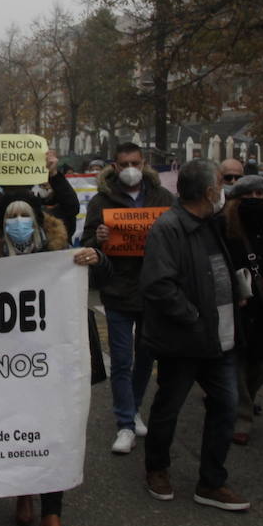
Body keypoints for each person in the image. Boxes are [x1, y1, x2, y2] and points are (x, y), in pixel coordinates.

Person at [0, 194, 106, 526]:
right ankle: (23, 492)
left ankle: (52, 515)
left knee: (54, 431)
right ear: (0, 224)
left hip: (52, 360)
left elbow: (100, 275)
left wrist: (97, 257)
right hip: (9, 361)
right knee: (20, 428)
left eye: (24, 216)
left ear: (37, 221)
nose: (17, 222)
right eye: (10, 217)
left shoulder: (59, 254)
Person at [138, 159, 249, 512]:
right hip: (185, 340)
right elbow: (158, 284)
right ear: (208, 191)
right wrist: (193, 316)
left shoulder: (213, 223)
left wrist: (237, 289)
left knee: (226, 407)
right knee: (169, 406)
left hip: (221, 340)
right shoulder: (168, 228)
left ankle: (211, 482)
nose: (224, 189)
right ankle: (157, 468)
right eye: (220, 182)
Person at [81, 141, 176, 455]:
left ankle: (133, 408)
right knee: (121, 360)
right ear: (115, 166)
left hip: (153, 290)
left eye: (135, 162)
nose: (130, 169)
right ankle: (124, 423)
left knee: (146, 357)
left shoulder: (162, 198)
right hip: (118, 290)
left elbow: (176, 236)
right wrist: (100, 239)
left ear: (144, 162)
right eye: (124, 164)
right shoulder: (102, 201)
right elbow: (87, 245)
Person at [221, 175, 263, 445]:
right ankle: (242, 415)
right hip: (237, 302)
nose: (255, 201)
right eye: (249, 197)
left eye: (260, 196)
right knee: (237, 359)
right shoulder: (224, 226)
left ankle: (246, 399)